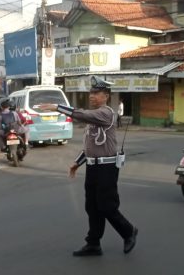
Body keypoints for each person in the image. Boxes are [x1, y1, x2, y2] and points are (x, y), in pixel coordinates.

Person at [39, 76, 138, 257]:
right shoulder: (94, 120)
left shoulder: (106, 114)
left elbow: (82, 114)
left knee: (107, 206)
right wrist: (77, 163)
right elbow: (90, 148)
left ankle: (128, 231)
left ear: (106, 96)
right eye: (91, 93)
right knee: (91, 207)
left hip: (107, 169)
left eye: (96, 93)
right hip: (93, 168)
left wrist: (58, 108)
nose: (92, 96)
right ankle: (93, 243)